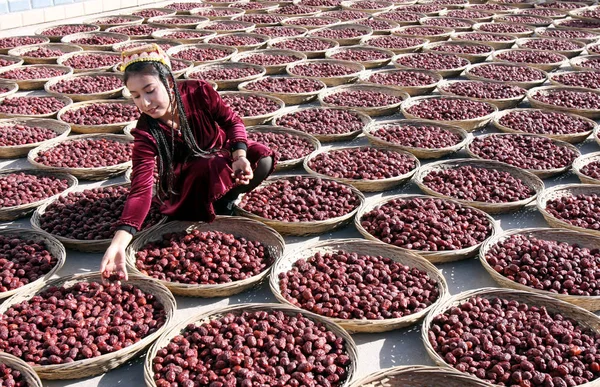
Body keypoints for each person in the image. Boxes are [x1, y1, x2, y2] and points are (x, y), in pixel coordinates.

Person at [100, 43, 275, 280]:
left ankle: (227, 200)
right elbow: (140, 189)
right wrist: (120, 241)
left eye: (150, 90)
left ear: (169, 82)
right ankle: (208, 204)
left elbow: (233, 122)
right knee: (208, 165)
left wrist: (239, 156)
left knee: (262, 157)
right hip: (186, 179)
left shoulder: (198, 92)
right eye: (136, 96)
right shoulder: (146, 132)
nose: (145, 103)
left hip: (223, 153)